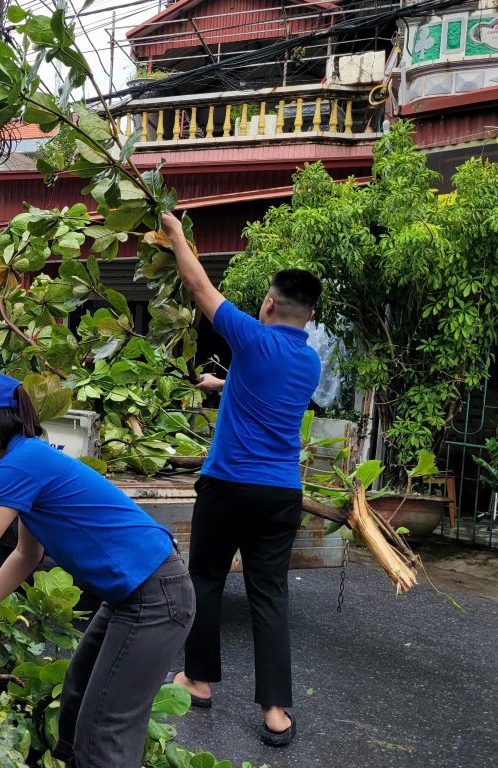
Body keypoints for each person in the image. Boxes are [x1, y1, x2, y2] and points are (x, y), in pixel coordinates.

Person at [0, 372, 193, 768]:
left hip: (155, 596)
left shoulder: (19, 464)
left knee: (105, 729)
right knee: (77, 693)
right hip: (133, 593)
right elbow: (24, 556)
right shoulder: (31, 458)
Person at [160, 212, 322, 748]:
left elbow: (198, 284)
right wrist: (221, 381)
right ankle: (276, 712)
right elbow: (263, 391)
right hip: (281, 495)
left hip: (228, 485)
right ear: (311, 315)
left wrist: (179, 236)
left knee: (206, 578)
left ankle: (198, 681)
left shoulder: (251, 336)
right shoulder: (308, 363)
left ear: (269, 304)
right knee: (269, 595)